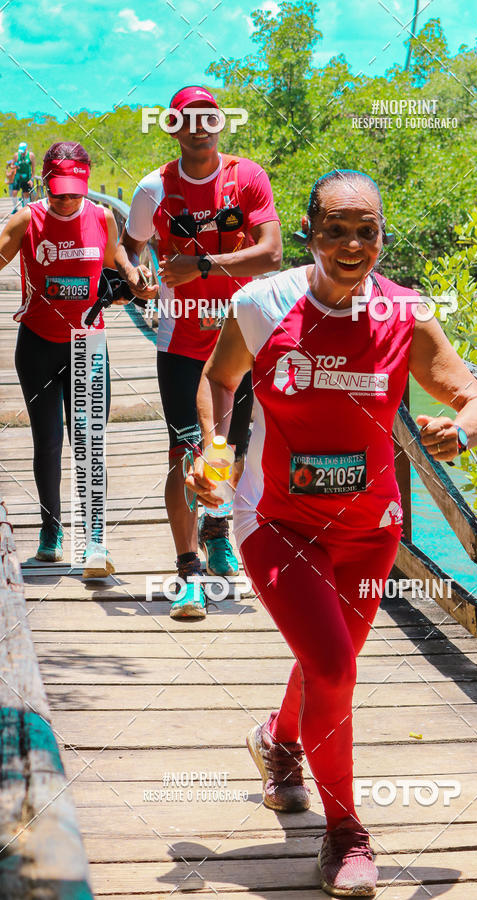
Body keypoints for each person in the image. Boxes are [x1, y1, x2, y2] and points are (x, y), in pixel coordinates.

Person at [187, 170, 477, 896]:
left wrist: (465, 430)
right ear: (309, 233)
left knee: (328, 660)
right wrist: (214, 446)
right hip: (276, 518)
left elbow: (471, 394)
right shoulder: (264, 303)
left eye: (367, 231)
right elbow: (218, 378)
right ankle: (346, 833)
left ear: (382, 237)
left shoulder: (407, 315)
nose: (352, 245)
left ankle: (279, 740)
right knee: (332, 667)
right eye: (336, 230)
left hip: (369, 528)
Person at [118, 85, 281, 619]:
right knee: (187, 450)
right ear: (172, 126)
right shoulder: (152, 188)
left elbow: (272, 255)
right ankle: (187, 573)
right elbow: (131, 243)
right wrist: (136, 272)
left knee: (228, 451)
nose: (199, 126)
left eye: (208, 117)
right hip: (181, 340)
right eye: (187, 118)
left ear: (220, 124)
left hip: (241, 340)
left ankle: (217, 528)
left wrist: (204, 264)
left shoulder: (247, 177)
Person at [0, 141, 130, 578]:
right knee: (48, 442)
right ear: (45, 184)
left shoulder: (102, 216)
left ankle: (95, 542)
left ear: (87, 184)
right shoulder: (27, 220)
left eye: (74, 192)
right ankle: (51, 535)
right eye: (58, 192)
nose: (66, 200)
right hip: (37, 343)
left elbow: (119, 259)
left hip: (88, 345)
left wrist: (135, 278)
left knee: (89, 442)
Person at [10, 142, 35, 211]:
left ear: (26, 148)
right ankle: (15, 207)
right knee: (14, 192)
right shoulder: (16, 155)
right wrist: (14, 166)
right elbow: (11, 165)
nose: (22, 153)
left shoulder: (31, 155)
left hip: (26, 178)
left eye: (23, 151)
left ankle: (26, 209)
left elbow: (33, 168)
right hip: (18, 177)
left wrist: (31, 179)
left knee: (26, 194)